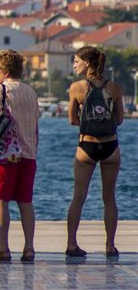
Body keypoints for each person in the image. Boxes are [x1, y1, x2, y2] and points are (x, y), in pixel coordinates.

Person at [0, 50, 39, 262]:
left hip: (6, 153)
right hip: (29, 152)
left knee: (0, 199)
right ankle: (29, 247)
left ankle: (3, 247)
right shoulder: (30, 92)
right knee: (25, 201)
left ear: (4, 71)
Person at [65, 46, 123, 258]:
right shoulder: (115, 88)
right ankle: (110, 246)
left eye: (76, 60)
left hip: (86, 146)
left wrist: (87, 124)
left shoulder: (77, 88)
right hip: (111, 146)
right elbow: (119, 120)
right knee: (109, 197)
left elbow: (72, 119)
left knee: (78, 197)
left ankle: (72, 244)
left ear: (87, 63)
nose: (74, 64)